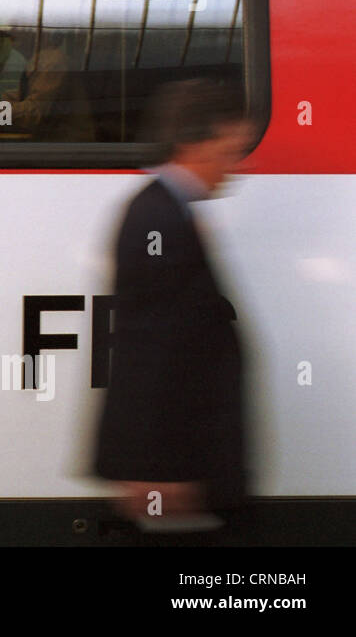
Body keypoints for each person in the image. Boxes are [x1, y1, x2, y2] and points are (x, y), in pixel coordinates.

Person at [93, 78, 255, 533]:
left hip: (188, 465)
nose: (236, 165)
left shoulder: (170, 212)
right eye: (229, 148)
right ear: (194, 142)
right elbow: (151, 348)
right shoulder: (157, 218)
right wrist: (155, 468)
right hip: (173, 472)